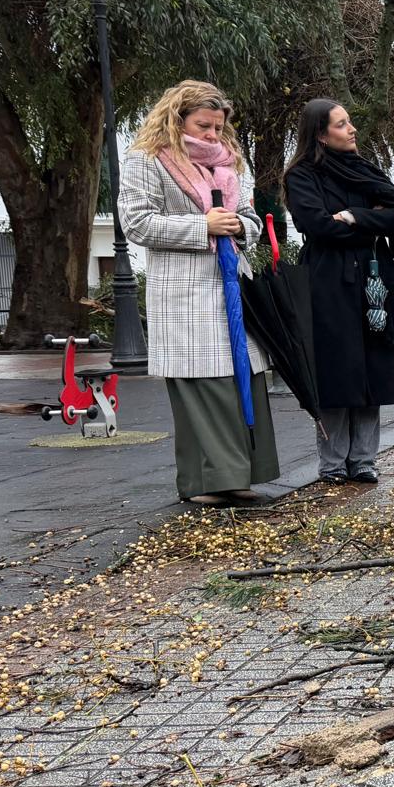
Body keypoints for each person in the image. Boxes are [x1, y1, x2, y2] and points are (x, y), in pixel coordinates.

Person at [121, 80, 279, 506]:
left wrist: (239, 228)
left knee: (241, 377)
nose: (211, 135)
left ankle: (240, 474)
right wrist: (202, 226)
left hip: (231, 286)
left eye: (216, 126)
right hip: (184, 293)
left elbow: (248, 218)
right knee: (202, 384)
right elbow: (136, 223)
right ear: (177, 119)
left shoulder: (227, 165)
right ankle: (209, 481)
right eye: (202, 125)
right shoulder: (146, 161)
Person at [284, 99, 394, 485]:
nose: (352, 129)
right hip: (327, 281)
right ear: (321, 134)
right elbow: (317, 225)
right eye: (342, 125)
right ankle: (332, 464)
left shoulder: (366, 170)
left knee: (372, 368)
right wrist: (369, 223)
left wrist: (357, 216)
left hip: (373, 280)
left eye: (350, 122)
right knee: (335, 370)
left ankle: (363, 460)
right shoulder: (301, 175)